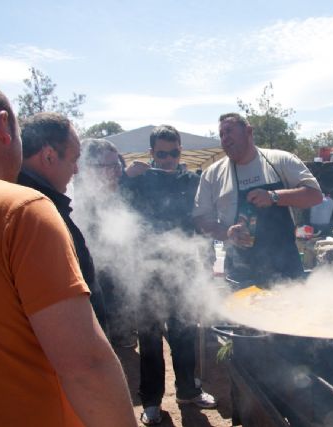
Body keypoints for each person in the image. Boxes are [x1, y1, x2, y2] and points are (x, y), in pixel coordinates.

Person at [0, 80, 136, 426]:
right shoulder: (20, 209)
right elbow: (85, 365)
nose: (77, 170)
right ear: (3, 126)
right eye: (74, 159)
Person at [123, 125, 217, 426]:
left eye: (173, 153)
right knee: (150, 340)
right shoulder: (137, 181)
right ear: (151, 153)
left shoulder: (193, 180)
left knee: (185, 335)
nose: (167, 159)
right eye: (161, 154)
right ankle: (151, 401)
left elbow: (203, 220)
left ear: (181, 151)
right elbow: (115, 210)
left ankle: (188, 391)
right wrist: (126, 177)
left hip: (184, 268)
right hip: (146, 269)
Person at [193, 113, 323, 284]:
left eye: (229, 131)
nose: (225, 138)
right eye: (221, 134)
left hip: (286, 269)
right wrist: (227, 233)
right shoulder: (212, 174)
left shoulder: (280, 160)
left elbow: (314, 196)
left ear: (248, 131)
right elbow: (201, 219)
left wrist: (274, 196)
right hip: (239, 273)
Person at [18, 112, 108, 334]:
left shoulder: (37, 202)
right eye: (73, 159)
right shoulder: (35, 211)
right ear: (49, 156)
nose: (76, 169)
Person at [77, 138, 138, 348]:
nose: (118, 171)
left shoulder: (117, 197)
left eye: (118, 165)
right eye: (110, 166)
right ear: (89, 169)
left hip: (115, 292)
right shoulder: (77, 203)